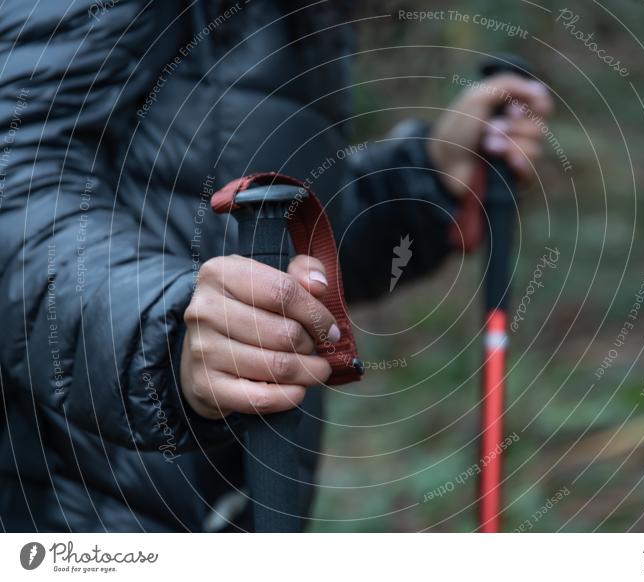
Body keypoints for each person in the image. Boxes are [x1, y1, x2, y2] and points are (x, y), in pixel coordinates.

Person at [0, 0, 552, 531]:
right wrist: (168, 337)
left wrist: (424, 180)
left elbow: (284, 254)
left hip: (235, 492)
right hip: (72, 501)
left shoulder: (303, 16)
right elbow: (17, 182)